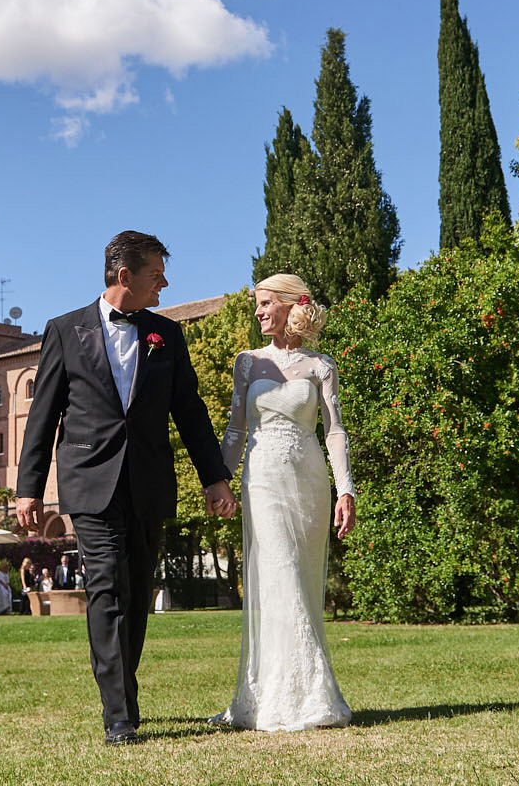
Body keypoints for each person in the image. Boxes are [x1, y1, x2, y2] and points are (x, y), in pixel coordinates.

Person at [15, 230, 238, 746]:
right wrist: (29, 488)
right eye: (156, 274)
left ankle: (123, 694)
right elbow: (43, 415)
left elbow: (190, 411)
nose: (165, 283)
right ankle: (118, 716)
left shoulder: (167, 335)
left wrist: (214, 477)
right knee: (108, 587)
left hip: (148, 482)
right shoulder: (64, 330)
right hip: (89, 482)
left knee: (135, 595)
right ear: (124, 275)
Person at [211, 273, 355, 731]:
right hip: (263, 479)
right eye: (257, 304)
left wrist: (346, 489)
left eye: (265, 303)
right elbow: (235, 430)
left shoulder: (321, 366)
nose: (258, 312)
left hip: (310, 480)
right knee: (280, 573)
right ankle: (284, 698)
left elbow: (334, 431)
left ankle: (298, 695)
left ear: (292, 306)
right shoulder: (248, 363)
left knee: (302, 581)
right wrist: (218, 481)